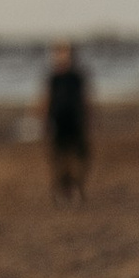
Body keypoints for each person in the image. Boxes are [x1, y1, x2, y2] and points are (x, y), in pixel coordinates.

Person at [41, 41, 92, 203]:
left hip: (76, 122)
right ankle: (61, 191)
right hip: (57, 122)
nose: (63, 57)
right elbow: (46, 99)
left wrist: (90, 117)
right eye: (59, 53)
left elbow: (86, 98)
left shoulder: (78, 77)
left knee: (78, 158)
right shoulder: (53, 77)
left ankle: (76, 188)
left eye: (66, 54)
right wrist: (43, 120)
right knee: (58, 159)